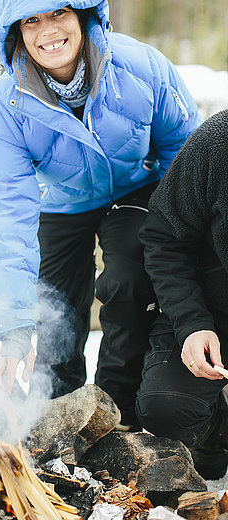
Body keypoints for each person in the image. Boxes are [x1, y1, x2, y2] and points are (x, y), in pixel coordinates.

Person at [0, 0, 201, 428]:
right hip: (63, 201)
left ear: (84, 14)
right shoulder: (5, 113)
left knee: (126, 280)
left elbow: (186, 156)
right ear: (14, 33)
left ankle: (117, 415)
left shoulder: (142, 69)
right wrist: (14, 328)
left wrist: (184, 240)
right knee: (53, 310)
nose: (48, 30)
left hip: (136, 190)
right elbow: (5, 215)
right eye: (30, 21)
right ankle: (58, 419)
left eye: (58, 12)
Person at [136, 109, 228, 479]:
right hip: (212, 313)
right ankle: (215, 432)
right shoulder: (218, 141)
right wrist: (192, 324)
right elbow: (164, 237)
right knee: (167, 407)